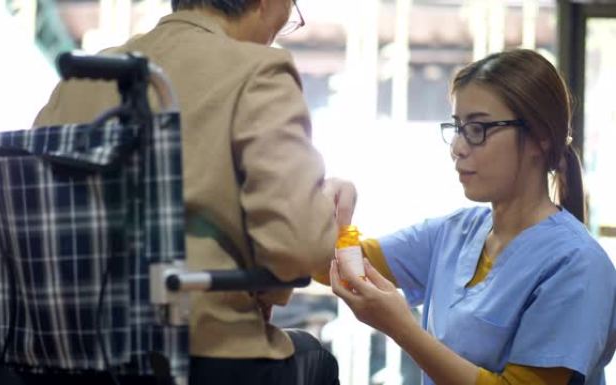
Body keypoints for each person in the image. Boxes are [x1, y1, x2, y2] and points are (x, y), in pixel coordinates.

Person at [33, 1, 347, 384]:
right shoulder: (259, 70)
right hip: (195, 354)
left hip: (64, 354)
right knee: (317, 360)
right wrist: (321, 208)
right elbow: (298, 249)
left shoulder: (83, 78)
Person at [328, 49, 616, 385]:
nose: (457, 147)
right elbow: (335, 266)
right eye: (457, 127)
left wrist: (402, 328)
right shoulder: (455, 233)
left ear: (540, 137)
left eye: (478, 128)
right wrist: (326, 203)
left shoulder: (576, 265)